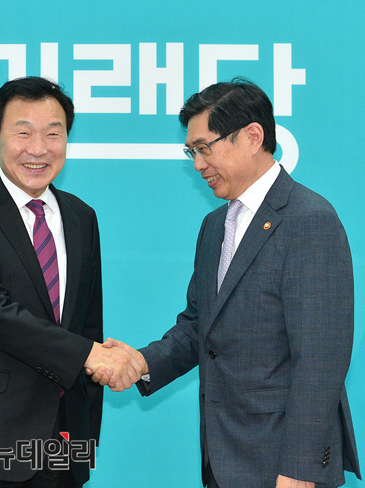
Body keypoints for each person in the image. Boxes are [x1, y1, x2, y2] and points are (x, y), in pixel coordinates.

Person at [90, 78, 361, 488]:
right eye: (191, 152)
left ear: (252, 137)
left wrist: (299, 469)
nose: (198, 164)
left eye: (205, 148)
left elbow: (321, 360)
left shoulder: (309, 220)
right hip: (223, 457)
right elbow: (199, 326)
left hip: (282, 464)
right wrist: (140, 363)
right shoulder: (215, 225)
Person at [0, 76, 143, 488]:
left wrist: (85, 429)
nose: (39, 148)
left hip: (65, 435)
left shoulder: (81, 216)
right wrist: (89, 355)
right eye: (23, 132)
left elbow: (88, 322)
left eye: (53, 133)